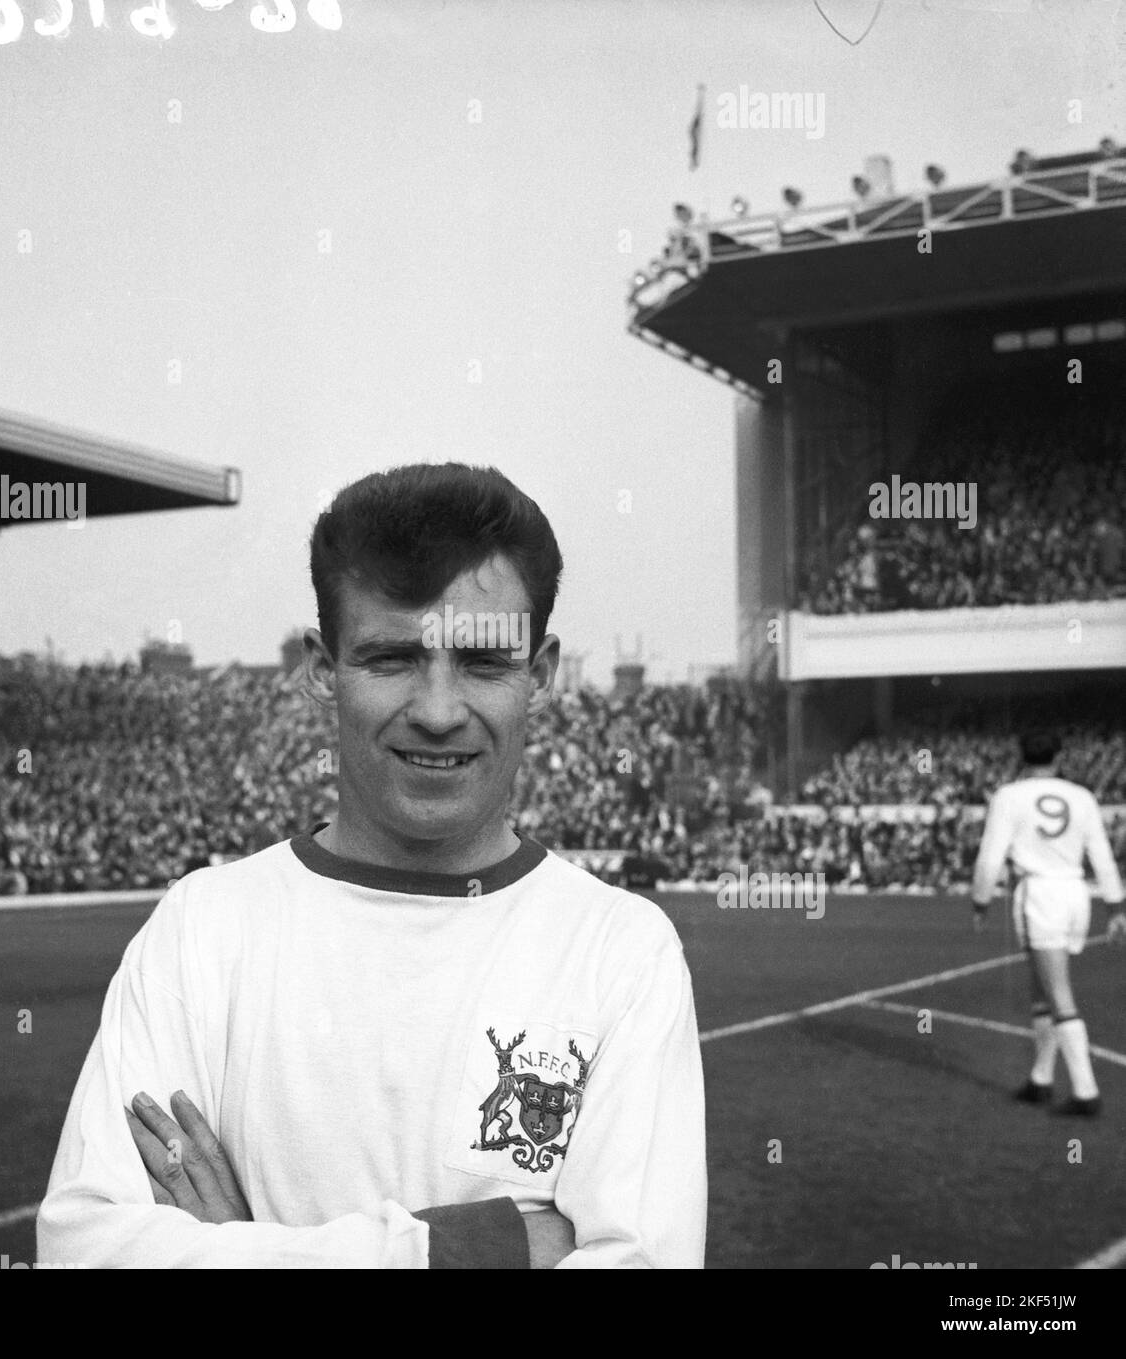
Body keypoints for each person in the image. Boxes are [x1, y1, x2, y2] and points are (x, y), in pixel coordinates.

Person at [36, 462, 707, 1268]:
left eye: (485, 662)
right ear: (324, 667)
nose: (437, 710)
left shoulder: (622, 951)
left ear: (541, 673)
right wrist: (472, 1248)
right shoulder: (202, 928)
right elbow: (83, 1251)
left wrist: (242, 1252)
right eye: (392, 658)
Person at [971, 729, 1126, 1116]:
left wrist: (980, 901)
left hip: (1041, 894)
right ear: (1058, 758)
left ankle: (1085, 1090)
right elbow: (1102, 855)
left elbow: (991, 856)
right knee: (1042, 989)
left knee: (1058, 994)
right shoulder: (1082, 797)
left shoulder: (1009, 796)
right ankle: (1041, 1079)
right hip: (1076, 893)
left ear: (1021, 757)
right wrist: (1116, 907)